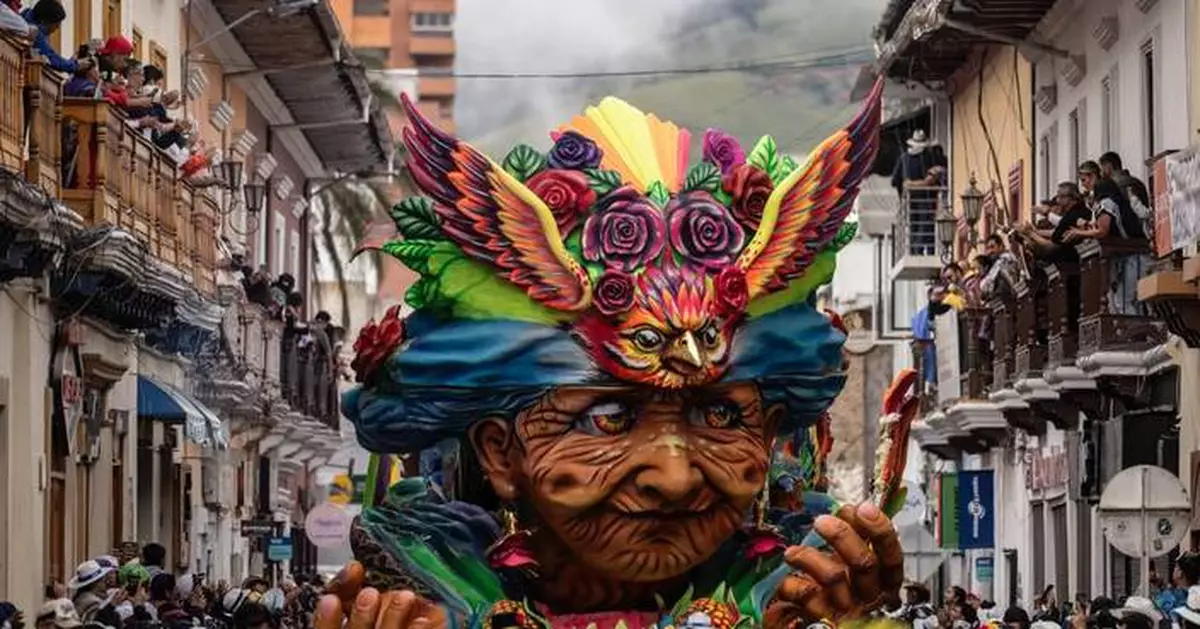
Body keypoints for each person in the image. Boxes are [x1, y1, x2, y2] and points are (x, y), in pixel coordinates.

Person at [316, 78, 903, 629]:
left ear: (769, 431)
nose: (673, 478)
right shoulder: (430, 599)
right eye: (608, 418)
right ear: (499, 453)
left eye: (721, 415)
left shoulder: (806, 590)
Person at [1071, 160, 1150, 315]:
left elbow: (1102, 230)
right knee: (1126, 300)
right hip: (1130, 255)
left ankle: (1135, 336)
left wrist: (1079, 233)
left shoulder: (1107, 202)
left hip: (1134, 255)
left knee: (1126, 300)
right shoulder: (1113, 202)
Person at [892, 129, 939, 256]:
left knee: (921, 227)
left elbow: (897, 181)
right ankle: (918, 251)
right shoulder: (924, 157)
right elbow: (897, 181)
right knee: (922, 227)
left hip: (918, 199)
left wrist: (909, 186)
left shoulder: (925, 157)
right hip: (920, 200)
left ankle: (918, 251)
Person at [21, 0, 87, 73]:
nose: (57, 27)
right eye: (56, 24)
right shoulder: (34, 32)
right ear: (44, 22)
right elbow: (51, 58)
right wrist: (76, 65)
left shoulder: (28, 18)